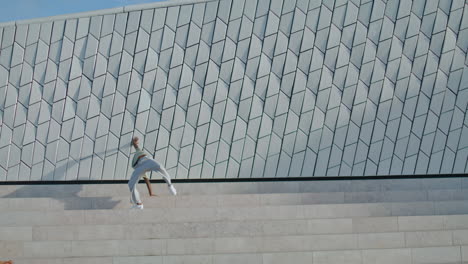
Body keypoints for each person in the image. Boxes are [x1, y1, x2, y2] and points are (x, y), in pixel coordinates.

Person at [129, 136, 177, 209]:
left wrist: (134, 142)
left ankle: (170, 185)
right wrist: (150, 192)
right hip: (139, 167)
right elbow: (147, 180)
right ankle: (138, 204)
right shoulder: (140, 170)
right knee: (131, 184)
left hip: (148, 161)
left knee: (160, 166)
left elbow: (136, 146)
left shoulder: (139, 151)